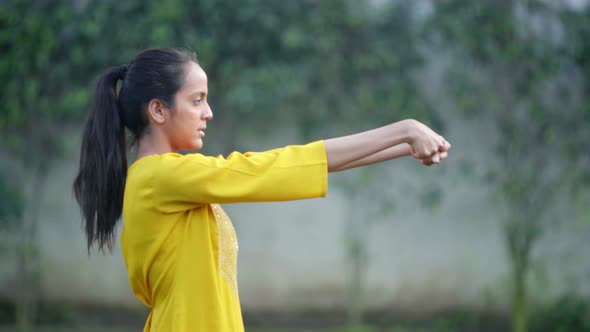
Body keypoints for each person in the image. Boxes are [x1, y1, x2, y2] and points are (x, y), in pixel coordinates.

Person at [73, 47, 450, 332]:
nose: (209, 113)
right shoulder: (160, 178)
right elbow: (273, 168)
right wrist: (403, 129)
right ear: (158, 110)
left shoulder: (169, 181)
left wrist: (403, 148)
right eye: (197, 100)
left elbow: (294, 168)